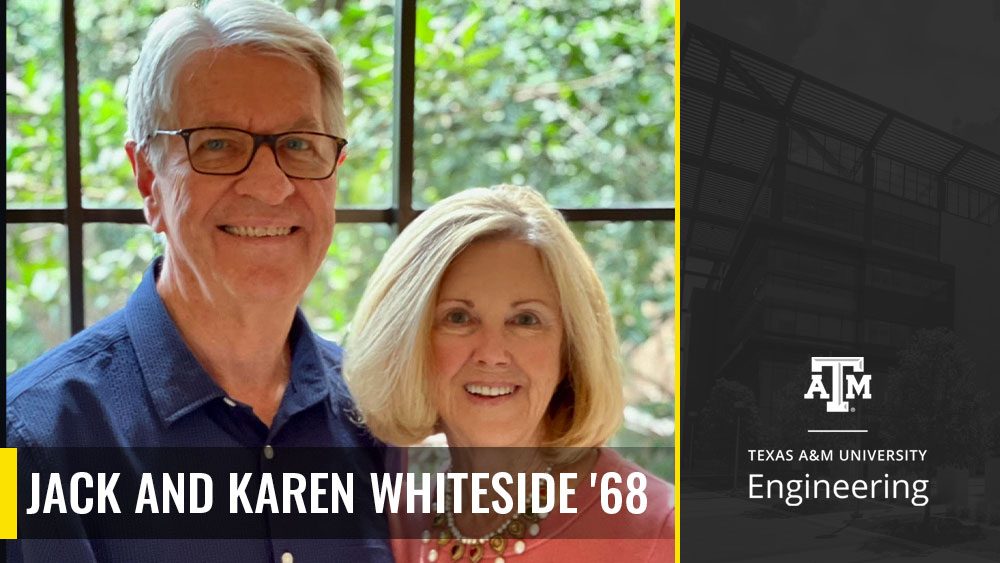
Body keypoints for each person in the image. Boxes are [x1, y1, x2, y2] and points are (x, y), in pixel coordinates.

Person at [6, 0, 391, 561]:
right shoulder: (26, 445)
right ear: (147, 179)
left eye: (300, 144)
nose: (269, 185)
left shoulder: (387, 420)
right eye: (217, 143)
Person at [344, 185, 674, 562]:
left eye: (525, 320)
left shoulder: (663, 531)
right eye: (458, 317)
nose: (492, 353)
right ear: (408, 342)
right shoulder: (397, 513)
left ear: (570, 349)